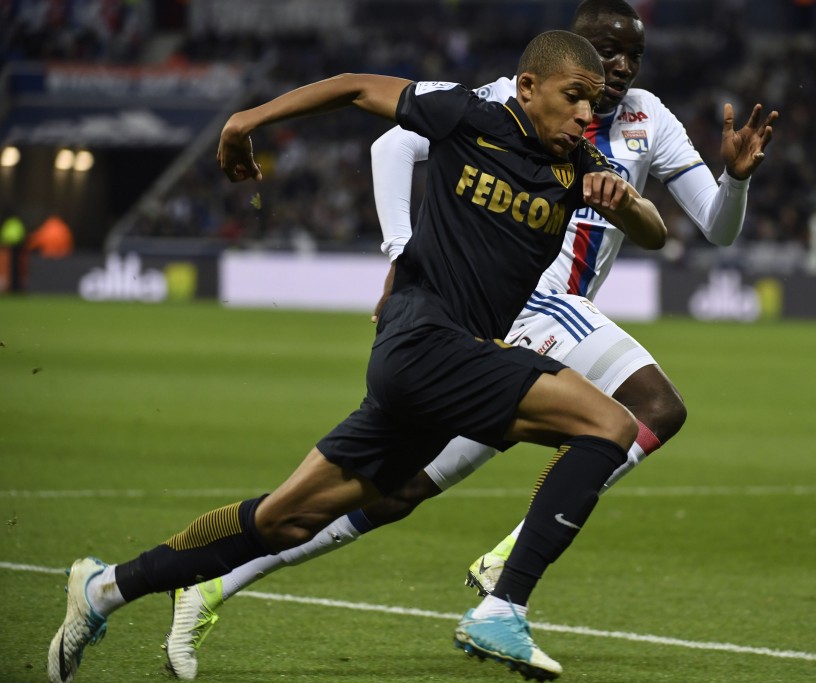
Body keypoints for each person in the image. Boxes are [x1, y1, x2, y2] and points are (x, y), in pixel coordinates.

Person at [162, 0, 777, 680]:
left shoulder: (647, 119)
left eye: (634, 52)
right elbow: (392, 143)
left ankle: (214, 582)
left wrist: (737, 179)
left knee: (393, 492)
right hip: (535, 305)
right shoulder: (507, 102)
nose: (622, 63)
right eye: (606, 48)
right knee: (652, 407)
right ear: (571, 50)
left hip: (498, 338)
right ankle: (509, 575)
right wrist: (401, 252)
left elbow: (717, 229)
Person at [48, 29, 669, 683]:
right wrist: (244, 122)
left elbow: (653, 233)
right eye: (573, 97)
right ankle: (502, 604)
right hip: (423, 340)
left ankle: (105, 588)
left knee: (284, 519)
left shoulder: (579, 171)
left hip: (430, 373)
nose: (582, 114)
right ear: (527, 87)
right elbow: (352, 87)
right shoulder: (466, 115)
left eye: (591, 103)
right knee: (610, 424)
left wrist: (626, 201)